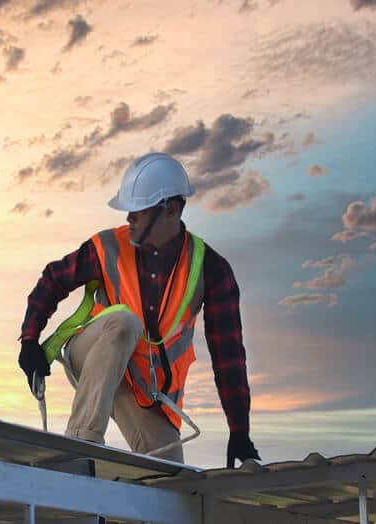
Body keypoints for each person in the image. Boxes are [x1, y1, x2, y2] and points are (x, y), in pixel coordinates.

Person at [17, 152, 260, 467]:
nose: (128, 218)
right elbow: (53, 280)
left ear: (170, 209)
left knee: (171, 478)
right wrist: (29, 340)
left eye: (137, 211)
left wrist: (239, 432)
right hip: (94, 353)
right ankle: (80, 446)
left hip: (144, 389)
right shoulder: (108, 247)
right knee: (125, 323)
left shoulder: (211, 270)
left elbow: (228, 357)